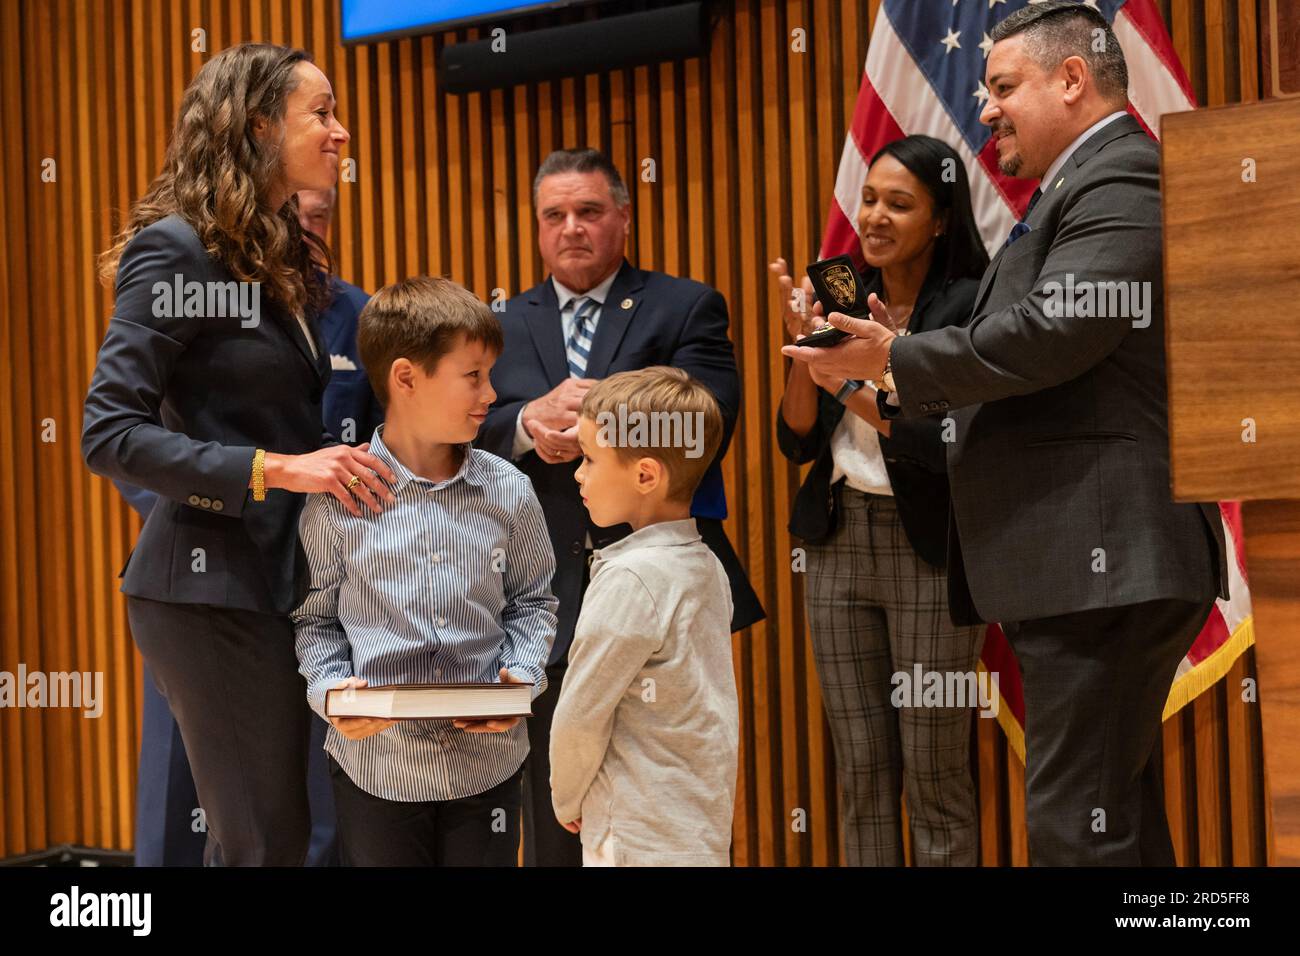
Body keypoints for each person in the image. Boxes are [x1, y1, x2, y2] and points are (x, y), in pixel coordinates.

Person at [783, 1, 1228, 866]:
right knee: (1113, 823)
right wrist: (886, 370)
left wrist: (901, 357)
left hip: (1101, 560)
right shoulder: (1073, 187)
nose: (983, 108)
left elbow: (1058, 332)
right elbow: (1030, 376)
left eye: (1001, 86)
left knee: (1075, 828)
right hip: (1083, 562)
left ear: (1071, 79)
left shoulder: (1121, 173)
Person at [81, 43, 398, 866]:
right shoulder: (177, 249)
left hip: (274, 581)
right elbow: (109, 433)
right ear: (260, 125)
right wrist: (279, 469)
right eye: (320, 113)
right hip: (204, 587)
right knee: (265, 842)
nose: (341, 133)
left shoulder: (275, 256)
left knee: (267, 840)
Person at [477, 147, 764, 866]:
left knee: (662, 782)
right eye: (555, 215)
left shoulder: (682, 304)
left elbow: (708, 422)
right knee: (552, 812)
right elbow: (459, 428)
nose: (572, 228)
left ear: (623, 219)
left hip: (655, 580)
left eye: (589, 212)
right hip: (534, 594)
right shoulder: (500, 320)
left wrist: (599, 423)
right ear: (538, 227)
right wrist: (524, 421)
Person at [773, 134, 989, 866]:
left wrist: (852, 376)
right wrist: (802, 352)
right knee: (861, 769)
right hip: (836, 544)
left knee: (934, 770)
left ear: (940, 220)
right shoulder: (839, 289)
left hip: (928, 546)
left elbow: (936, 441)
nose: (875, 216)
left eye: (900, 203)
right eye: (868, 198)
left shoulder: (968, 304)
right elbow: (797, 440)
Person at [293, 276, 558, 866]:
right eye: (473, 376)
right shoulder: (339, 498)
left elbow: (533, 603)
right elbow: (315, 621)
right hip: (377, 773)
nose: (491, 393)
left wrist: (518, 680)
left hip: (486, 771)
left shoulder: (509, 490)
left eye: (490, 374)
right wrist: (331, 691)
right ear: (407, 378)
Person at [550, 366, 738, 866]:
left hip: (634, 833)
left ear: (645, 474)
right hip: (699, 826)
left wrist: (565, 796)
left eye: (589, 459)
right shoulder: (708, 565)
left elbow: (580, 712)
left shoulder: (630, 579)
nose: (578, 472)